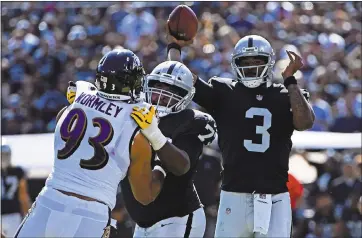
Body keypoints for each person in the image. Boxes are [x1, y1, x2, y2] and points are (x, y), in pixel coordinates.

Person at [15, 49, 190, 238]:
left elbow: (64, 122)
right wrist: (161, 168)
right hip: (91, 214)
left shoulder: (75, 102)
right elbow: (144, 196)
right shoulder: (138, 124)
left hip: (48, 202)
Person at [167, 34, 315, 237]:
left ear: (268, 63)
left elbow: (305, 122)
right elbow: (180, 76)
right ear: (235, 64)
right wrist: (174, 46)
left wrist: (290, 80)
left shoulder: (285, 94)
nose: (251, 66)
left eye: (257, 61)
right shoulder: (224, 91)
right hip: (233, 194)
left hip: (275, 196)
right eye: (245, 62)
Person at [121, 61, 217, 237]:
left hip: (177, 220)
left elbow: (181, 167)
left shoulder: (190, 121)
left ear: (184, 96)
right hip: (141, 223)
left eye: (171, 91)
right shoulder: (133, 114)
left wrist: (154, 134)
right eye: (157, 88)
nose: (161, 96)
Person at [1, 144, 31, 238]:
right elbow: (23, 196)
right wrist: (28, 214)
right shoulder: (18, 171)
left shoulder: (18, 171)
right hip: (13, 215)